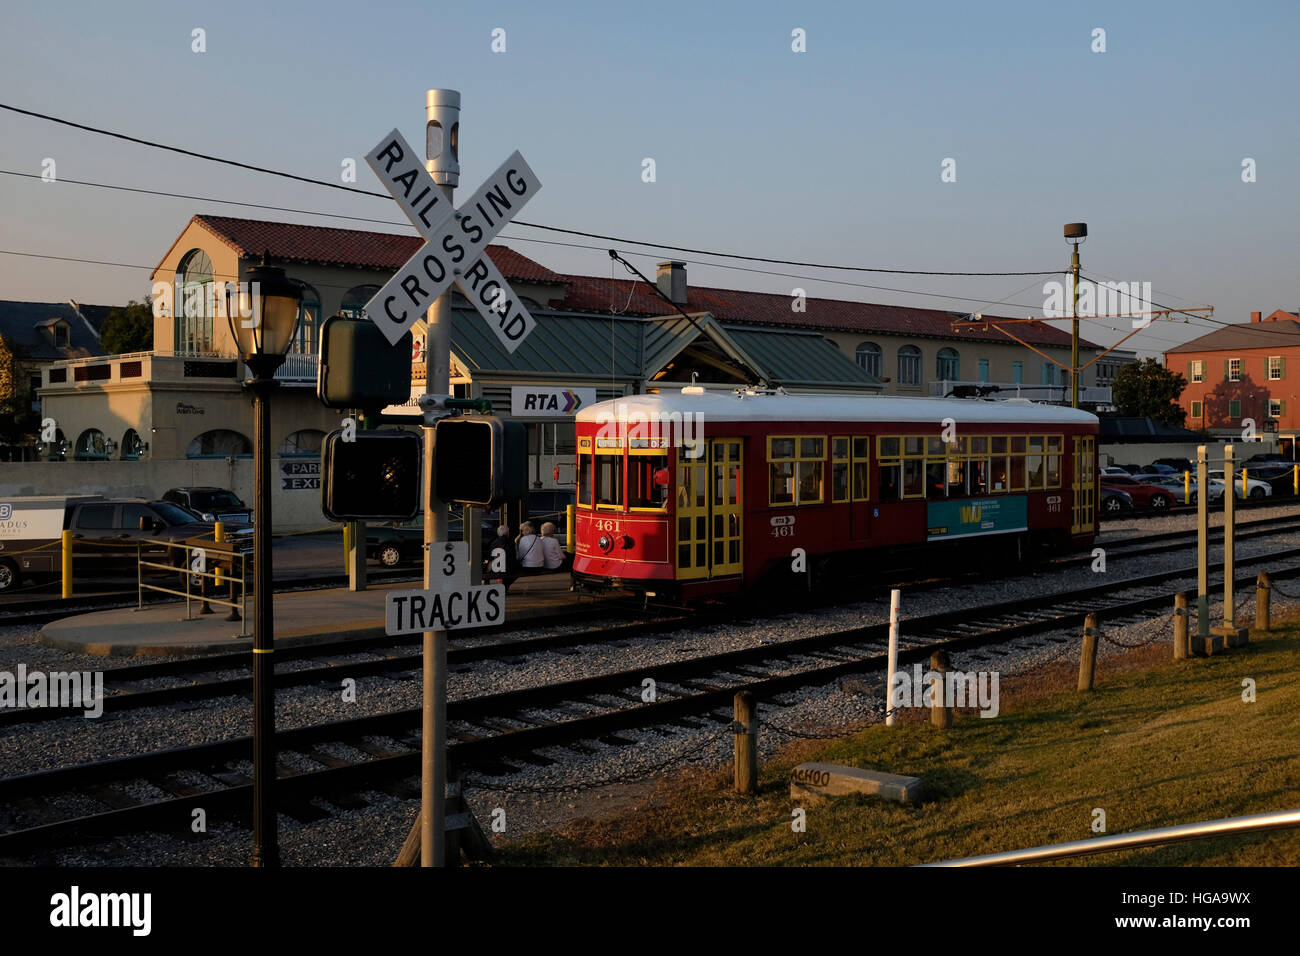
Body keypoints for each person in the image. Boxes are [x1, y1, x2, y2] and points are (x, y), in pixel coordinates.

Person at [487, 524, 519, 590]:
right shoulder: (511, 543)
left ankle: (503, 586)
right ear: (507, 533)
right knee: (516, 570)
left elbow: (490, 556)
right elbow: (514, 556)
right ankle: (505, 585)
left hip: (495, 569)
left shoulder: (494, 542)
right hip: (508, 569)